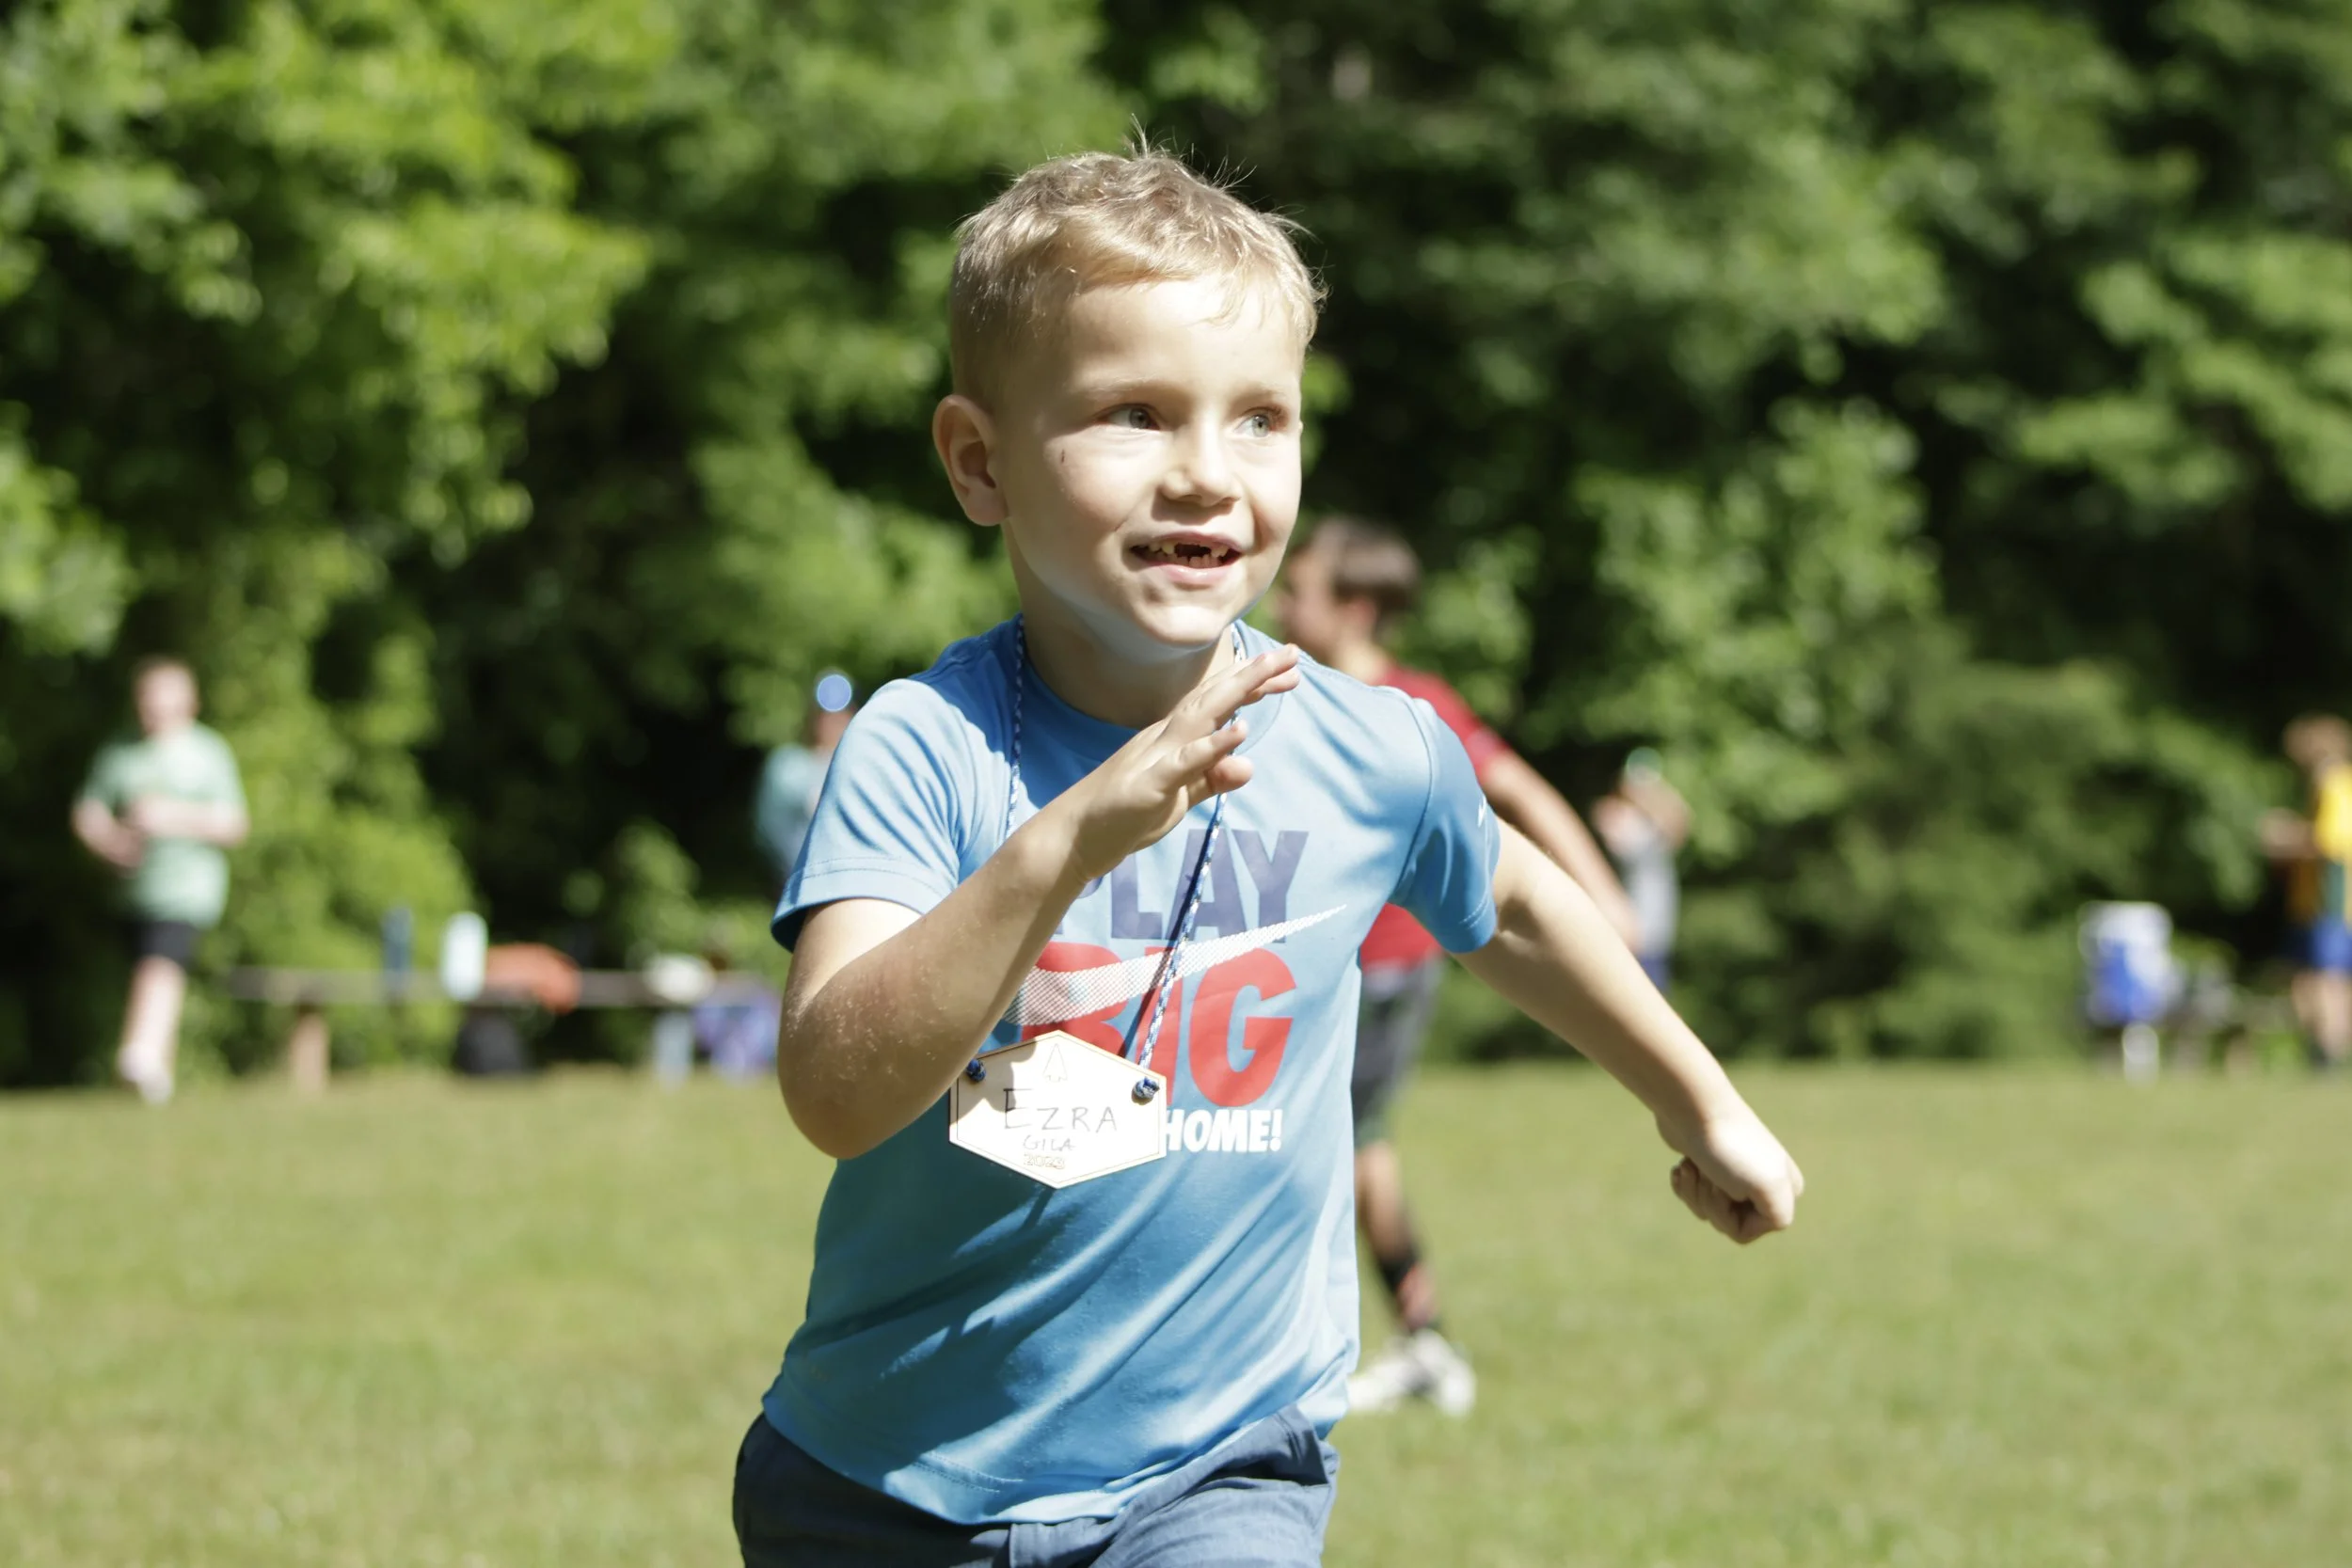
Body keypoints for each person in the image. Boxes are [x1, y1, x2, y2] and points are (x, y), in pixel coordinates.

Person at [739, 148, 1804, 1568]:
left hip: (1219, 1467)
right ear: (978, 461)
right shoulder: (922, 746)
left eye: (1260, 420)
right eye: (1133, 413)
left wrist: (1697, 1096)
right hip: (889, 1483)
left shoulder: (1368, 743)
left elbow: (1518, 903)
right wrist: (1064, 845)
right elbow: (833, 1087)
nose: (1206, 474)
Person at [1272, 516, 1642, 1417]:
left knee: (1329, 1152)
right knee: (1355, 1152)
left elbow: (1514, 788)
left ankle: (1402, 1341)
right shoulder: (1284, 689)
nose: (1280, 601)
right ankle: (1414, 1335)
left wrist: (1601, 894)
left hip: (1384, 971)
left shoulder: (1409, 704)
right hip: (1310, 967)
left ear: (1355, 608)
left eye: (1301, 588)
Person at [71, 657, 249, 1103]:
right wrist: (109, 841)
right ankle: (154, 1081)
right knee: (150, 971)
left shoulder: (207, 752)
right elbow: (88, 811)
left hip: (188, 888)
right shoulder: (121, 752)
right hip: (133, 888)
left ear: (189, 700)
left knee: (159, 967)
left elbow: (234, 823)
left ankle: (140, 1053)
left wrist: (173, 817)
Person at [2263, 714, 2352, 1070]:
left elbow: (2330, 844)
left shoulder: (2334, 782)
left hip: (2329, 902)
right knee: (2307, 980)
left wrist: (2286, 837)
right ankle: (2323, 1053)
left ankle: (2327, 1058)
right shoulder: (2326, 784)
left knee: (2325, 981)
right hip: (2311, 903)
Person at [1595, 747, 1692, 993]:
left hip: (1655, 928)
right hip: (1632, 927)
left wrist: (1658, 793)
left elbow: (1680, 823)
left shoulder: (1650, 821)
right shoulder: (1618, 816)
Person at [754, 671, 857, 889]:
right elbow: (769, 827)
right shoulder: (788, 766)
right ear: (813, 717)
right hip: (795, 884)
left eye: (840, 715)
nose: (832, 723)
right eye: (825, 715)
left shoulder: (861, 767)